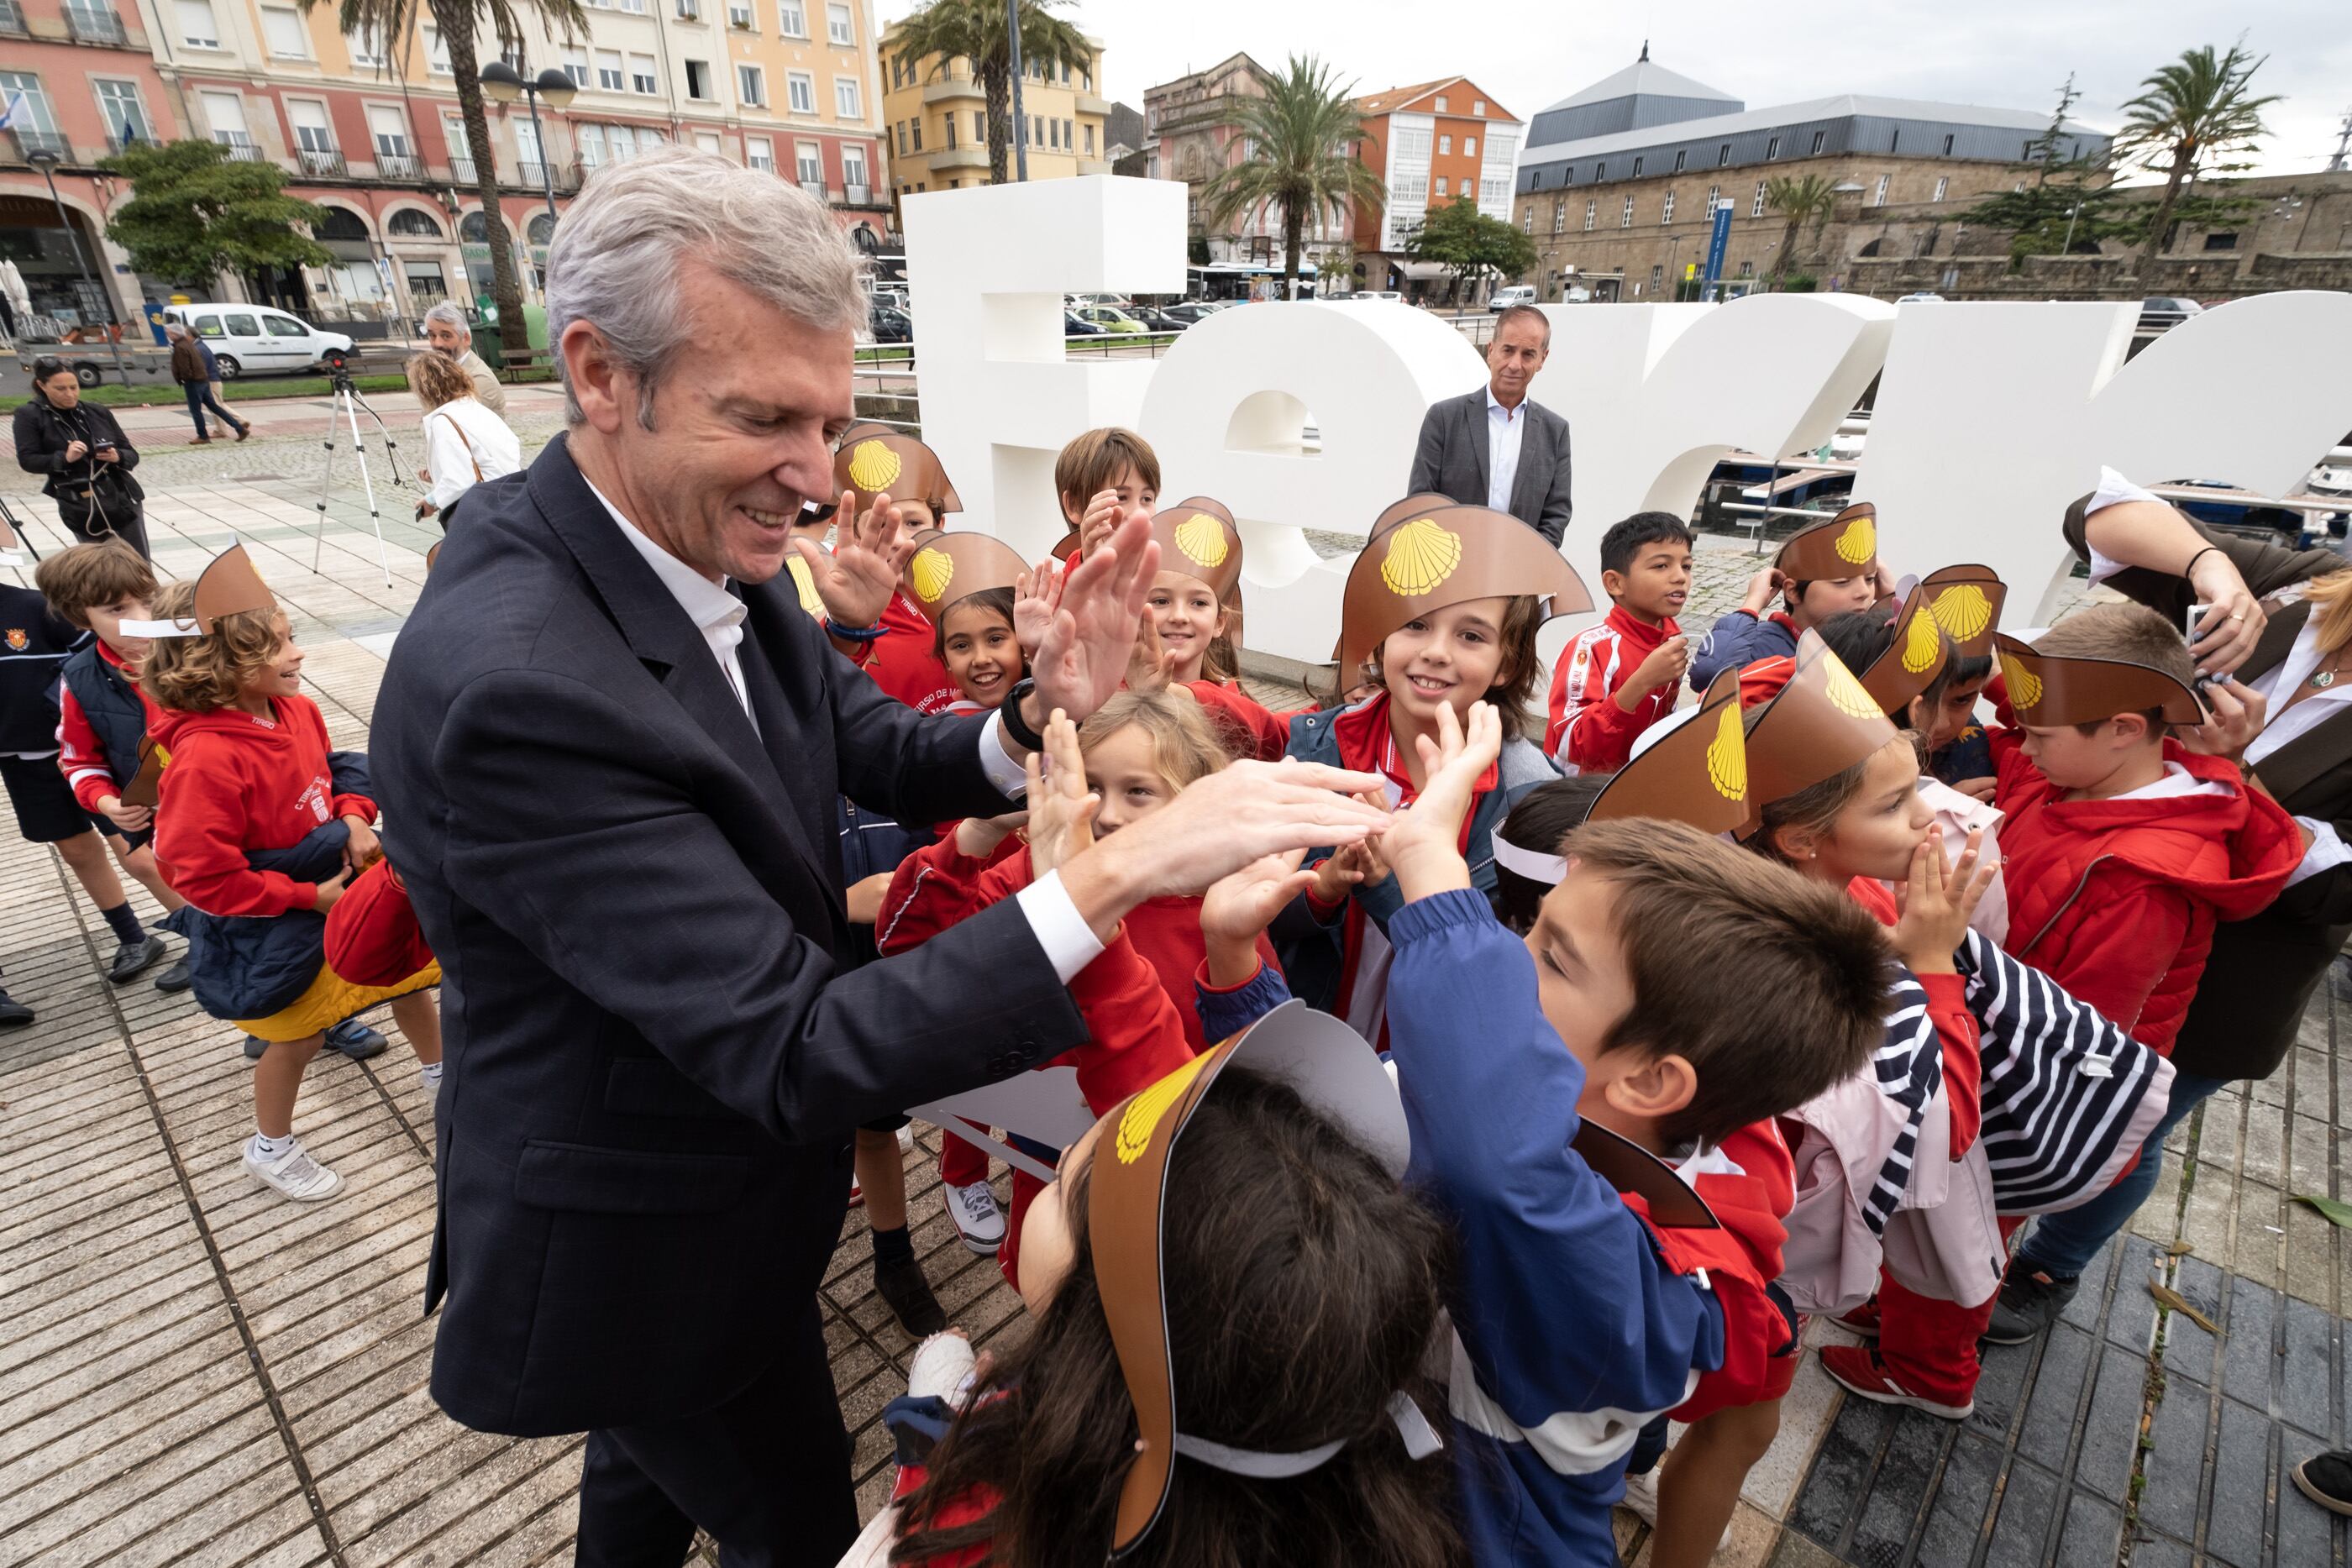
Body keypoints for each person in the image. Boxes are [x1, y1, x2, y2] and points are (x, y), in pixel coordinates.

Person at [367, 145, 1392, 1566]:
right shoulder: (520, 686)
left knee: (646, 1473)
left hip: (710, 1211)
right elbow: (793, 1048)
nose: (815, 477)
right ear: (601, 376)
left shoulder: (668, 536)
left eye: (834, 419)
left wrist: (1042, 706)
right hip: (646, 1245)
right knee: (794, 1516)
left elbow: (873, 743)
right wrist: (1110, 868)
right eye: (767, 418)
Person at [845, 976, 1455, 1567]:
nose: (1060, 1156)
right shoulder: (1351, 1506)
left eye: (1063, 1188)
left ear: (1099, 1333)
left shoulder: (956, 1530)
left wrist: (940, 1385)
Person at [1968, 598, 2300, 1345]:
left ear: (2122, 729)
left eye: (2041, 730)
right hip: (1985, 1051)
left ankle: (1929, 1364)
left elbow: (2075, 1033)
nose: (2022, 741)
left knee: (1966, 1236)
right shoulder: (2082, 771)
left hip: (2022, 1091)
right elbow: (2030, 738)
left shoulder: (2143, 878)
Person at [878, 694, 1284, 1276]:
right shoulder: (1038, 872)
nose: (1108, 812)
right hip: (1053, 1136)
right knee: (1053, 1277)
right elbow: (908, 945)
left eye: (1138, 791)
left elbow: (1254, 1048)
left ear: (1192, 799)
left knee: (1140, 1281)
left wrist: (1234, 945)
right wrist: (979, 831)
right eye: (1090, 785)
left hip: (1166, 1145)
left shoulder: (1220, 898)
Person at [140, 551, 444, 1201]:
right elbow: (199, 876)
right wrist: (307, 896)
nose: (297, 654)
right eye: (275, 647)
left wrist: (357, 817)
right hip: (278, 920)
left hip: (344, 883)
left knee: (406, 976)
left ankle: (445, 1076)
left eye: (290, 637)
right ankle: (270, 1145)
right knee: (298, 1037)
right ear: (215, 666)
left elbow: (332, 773)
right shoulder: (204, 757)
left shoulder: (297, 711)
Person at [1282, 501, 1583, 1035]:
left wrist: (1383, 883)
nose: (1437, 652)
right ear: (1380, 635)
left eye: (1471, 636)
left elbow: (1494, 967)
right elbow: (1266, 919)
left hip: (1427, 1058)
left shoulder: (1525, 795)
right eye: (1415, 624)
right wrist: (1322, 893)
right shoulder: (1312, 750)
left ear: (1507, 662)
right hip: (1310, 1039)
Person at [0, 572, 179, 997]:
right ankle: (133, 937)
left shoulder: (31, 606)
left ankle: (203, 932)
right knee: (77, 851)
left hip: (95, 756)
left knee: (141, 858)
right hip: (23, 763)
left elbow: (95, 667)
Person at [34, 539, 194, 990]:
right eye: (117, 609)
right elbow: (77, 759)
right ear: (82, 618)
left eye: (149, 601)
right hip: (175, 828)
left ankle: (328, 1020)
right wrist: (106, 803)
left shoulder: (195, 648)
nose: (142, 620)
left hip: (246, 808)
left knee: (279, 912)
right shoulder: (79, 680)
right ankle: (268, 1025)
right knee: (226, 921)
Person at [1405, 304, 1573, 545]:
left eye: (1528, 354)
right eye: (1508, 350)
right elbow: (1421, 502)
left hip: (1519, 574)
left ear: (1542, 359)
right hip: (1451, 569)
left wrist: (1529, 562)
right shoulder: (1444, 419)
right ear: (1491, 351)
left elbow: (1556, 516)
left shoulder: (1555, 432)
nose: (1515, 364)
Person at [1546, 511, 1693, 773]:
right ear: (1615, 583)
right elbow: (1570, 743)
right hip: (1581, 799)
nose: (1680, 577)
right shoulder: (1590, 648)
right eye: (1661, 566)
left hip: (1634, 792)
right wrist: (1642, 681)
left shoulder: (1669, 646)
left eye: (1686, 566)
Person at [1688, 503, 1885, 690]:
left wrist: (1891, 597)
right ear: (1792, 591)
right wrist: (1752, 604)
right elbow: (1709, 676)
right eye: (1842, 582)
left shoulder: (1864, 642)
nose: (1864, 593)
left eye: (1870, 580)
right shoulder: (1758, 645)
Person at [11, 355, 151, 557]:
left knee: (138, 560)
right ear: (42, 385)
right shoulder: (29, 415)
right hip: (79, 500)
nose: (69, 394)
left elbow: (131, 454)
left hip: (120, 494)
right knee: (99, 564)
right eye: (60, 389)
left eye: (74, 387)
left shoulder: (97, 411)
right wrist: (64, 458)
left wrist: (116, 456)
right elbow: (28, 460)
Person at [405, 349, 522, 523]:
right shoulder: (477, 409)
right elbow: (503, 452)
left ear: (424, 391)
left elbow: (459, 479)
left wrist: (431, 501)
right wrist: (437, 473)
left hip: (481, 511)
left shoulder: (444, 421)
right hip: (509, 500)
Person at [168, 323, 251, 446]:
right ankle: (240, 428)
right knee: (215, 407)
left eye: (169, 333)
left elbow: (184, 367)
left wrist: (184, 379)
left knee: (196, 411)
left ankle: (203, 436)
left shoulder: (181, 347)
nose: (168, 335)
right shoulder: (190, 345)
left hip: (194, 382)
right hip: (203, 380)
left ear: (175, 334)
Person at [422, 299, 508, 415]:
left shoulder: (479, 379)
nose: (437, 343)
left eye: (446, 336)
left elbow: (453, 423)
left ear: (466, 338)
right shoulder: (443, 371)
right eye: (432, 335)